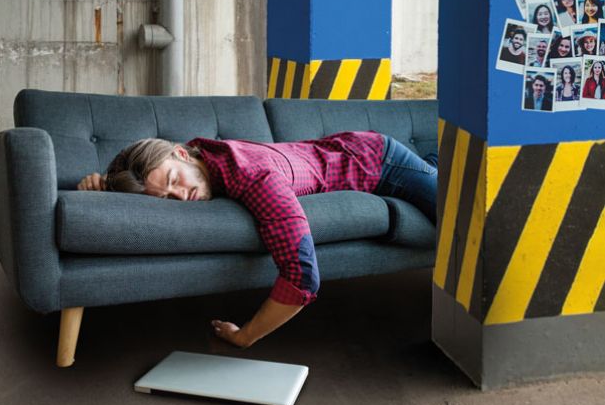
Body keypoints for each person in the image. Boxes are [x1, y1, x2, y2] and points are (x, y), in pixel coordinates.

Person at [78, 132, 438, 348]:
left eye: (175, 179)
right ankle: (433, 166)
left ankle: (434, 163)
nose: (179, 195)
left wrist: (245, 336)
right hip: (335, 150)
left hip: (379, 160)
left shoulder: (253, 178)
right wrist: (105, 185)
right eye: (166, 198)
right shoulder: (201, 155)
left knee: (466, 217)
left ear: (183, 154)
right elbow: (140, 177)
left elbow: (302, 275)